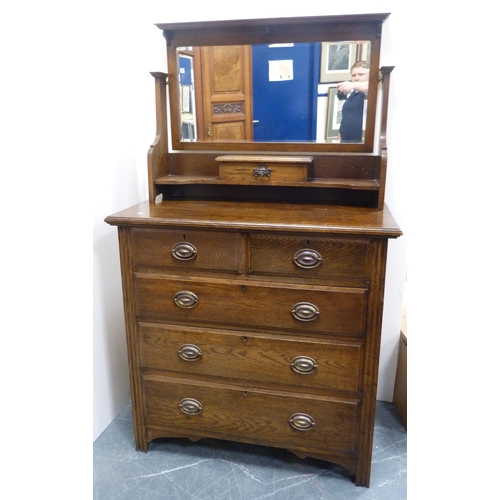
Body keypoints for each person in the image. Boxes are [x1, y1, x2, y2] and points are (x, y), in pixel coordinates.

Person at [337, 61, 369, 143]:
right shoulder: (352, 95)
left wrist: (352, 85)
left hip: (360, 144)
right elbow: (345, 118)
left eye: (361, 74)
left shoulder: (369, 92)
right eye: (353, 75)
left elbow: (369, 86)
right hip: (345, 144)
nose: (356, 78)